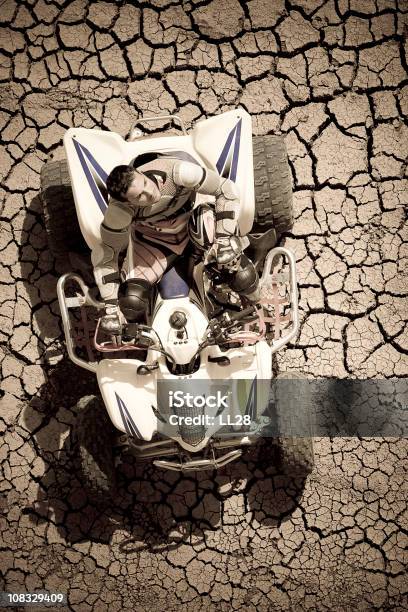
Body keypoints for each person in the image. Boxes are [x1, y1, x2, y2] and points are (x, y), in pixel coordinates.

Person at [92, 153, 260, 333]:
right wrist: (110, 306)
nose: (149, 193)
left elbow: (226, 189)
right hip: (154, 241)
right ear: (126, 202)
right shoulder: (118, 212)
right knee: (132, 300)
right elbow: (105, 255)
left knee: (241, 275)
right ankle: (146, 334)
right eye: (139, 196)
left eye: (145, 183)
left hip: (194, 224)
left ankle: (258, 301)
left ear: (139, 173)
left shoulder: (178, 172)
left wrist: (224, 238)